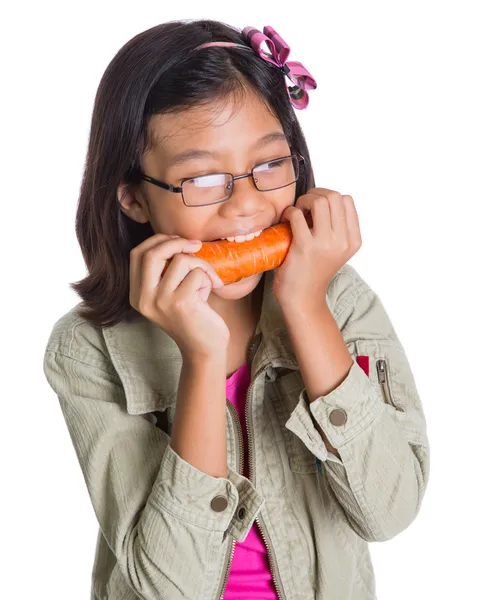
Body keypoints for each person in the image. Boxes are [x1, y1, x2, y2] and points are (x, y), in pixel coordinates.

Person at [42, 19, 430, 600]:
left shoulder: (340, 300)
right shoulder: (88, 346)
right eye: (202, 178)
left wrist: (305, 306)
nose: (248, 205)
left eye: (271, 164)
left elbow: (389, 511)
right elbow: (173, 588)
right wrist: (200, 360)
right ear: (131, 195)